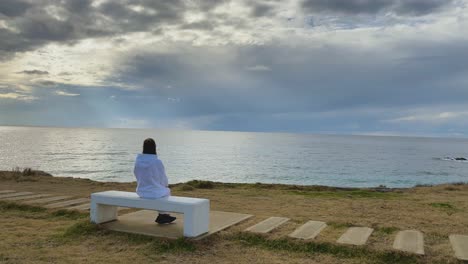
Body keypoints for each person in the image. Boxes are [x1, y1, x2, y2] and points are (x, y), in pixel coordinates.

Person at [134, 138, 176, 224]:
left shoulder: (138, 161)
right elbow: (162, 178)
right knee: (166, 192)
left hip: (141, 191)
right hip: (154, 192)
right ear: (154, 148)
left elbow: (136, 173)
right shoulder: (156, 162)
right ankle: (163, 215)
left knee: (162, 191)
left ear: (143, 147)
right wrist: (165, 185)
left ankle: (163, 215)